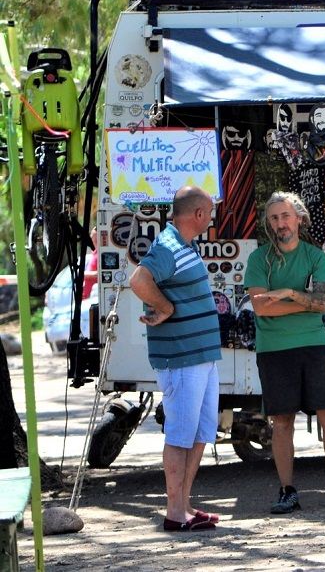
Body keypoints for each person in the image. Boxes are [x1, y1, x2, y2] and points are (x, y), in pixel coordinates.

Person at [247, 191, 325, 513]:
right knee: (282, 422)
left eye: (285, 216)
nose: (280, 223)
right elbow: (262, 308)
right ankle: (287, 491)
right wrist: (304, 302)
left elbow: (323, 303)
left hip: (314, 345)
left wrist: (288, 293)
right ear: (269, 223)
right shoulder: (258, 259)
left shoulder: (315, 257)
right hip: (274, 349)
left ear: (299, 219)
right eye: (274, 218)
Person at [128, 186, 223, 531]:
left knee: (199, 431)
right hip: (182, 358)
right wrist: (165, 307)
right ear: (198, 214)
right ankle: (174, 511)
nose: (211, 219)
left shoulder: (185, 245)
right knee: (181, 434)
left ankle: (183, 504)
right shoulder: (168, 245)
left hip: (200, 356)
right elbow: (139, 280)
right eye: (209, 212)